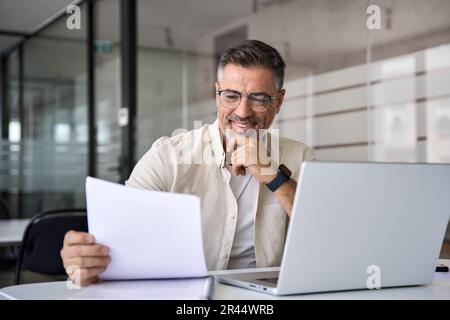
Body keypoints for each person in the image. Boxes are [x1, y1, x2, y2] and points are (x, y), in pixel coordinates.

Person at [61, 39, 315, 286]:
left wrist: (275, 177)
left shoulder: (300, 158)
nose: (243, 112)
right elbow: (120, 242)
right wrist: (87, 263)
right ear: (217, 95)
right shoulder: (167, 156)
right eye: (231, 96)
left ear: (279, 101)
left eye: (259, 98)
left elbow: (327, 240)